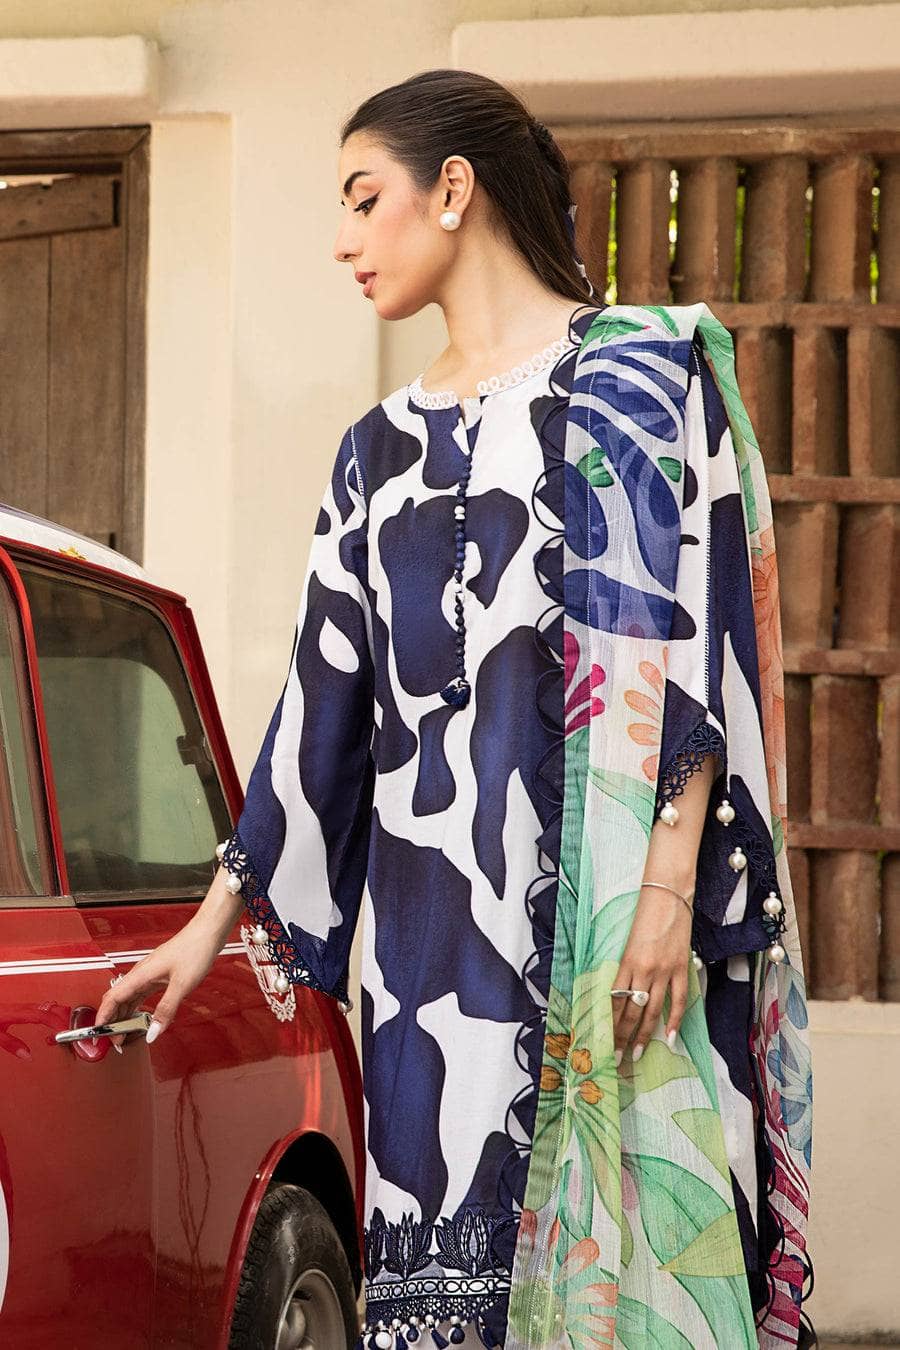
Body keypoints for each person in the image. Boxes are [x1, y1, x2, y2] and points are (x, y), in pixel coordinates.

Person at [96, 69, 815, 1350]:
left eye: (363, 199)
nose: (341, 238)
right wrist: (206, 932)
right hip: (437, 964)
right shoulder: (376, 454)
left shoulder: (642, 376)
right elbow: (319, 705)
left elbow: (686, 636)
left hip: (616, 946)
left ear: (453, 189)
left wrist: (663, 888)